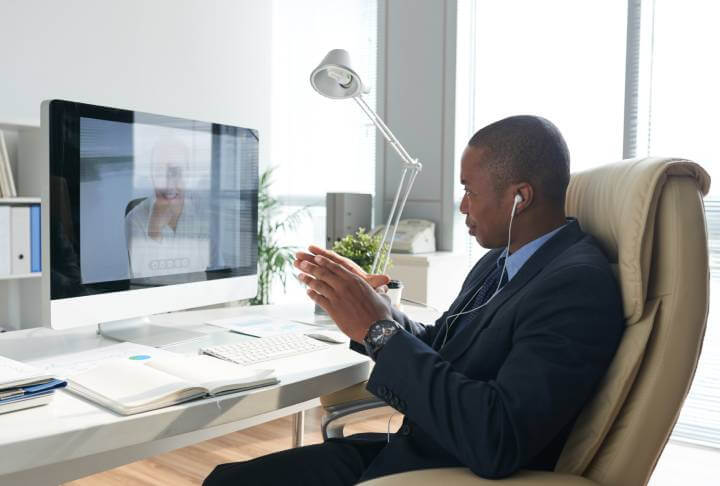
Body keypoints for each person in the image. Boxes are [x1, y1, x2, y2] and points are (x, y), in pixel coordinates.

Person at [203, 115, 624, 485]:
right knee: (227, 478)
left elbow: (497, 437)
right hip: (415, 451)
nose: (462, 206)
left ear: (521, 197)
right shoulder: (503, 259)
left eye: (470, 191)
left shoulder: (575, 287)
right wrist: (376, 308)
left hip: (452, 471)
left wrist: (378, 329)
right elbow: (443, 342)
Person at [125, 137, 211, 278]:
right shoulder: (134, 219)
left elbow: (205, 275)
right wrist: (155, 233)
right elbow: (144, 283)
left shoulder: (203, 215)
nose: (168, 184)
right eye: (159, 172)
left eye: (176, 172)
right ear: (151, 175)